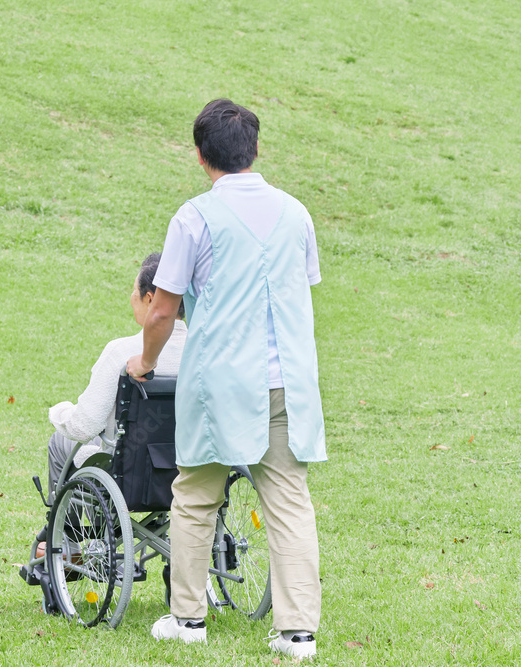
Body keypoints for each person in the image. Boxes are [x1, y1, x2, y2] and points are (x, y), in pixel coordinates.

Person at [127, 99, 327, 661]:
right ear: (256, 149)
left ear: (200, 156)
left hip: (221, 380)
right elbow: (299, 286)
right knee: (289, 499)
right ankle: (297, 633)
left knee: (194, 496)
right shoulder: (296, 213)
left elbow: (163, 311)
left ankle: (187, 617)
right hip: (286, 375)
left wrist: (144, 361)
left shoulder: (194, 217)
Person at [45, 252, 187, 495]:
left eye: (134, 291)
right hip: (188, 466)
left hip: (130, 471)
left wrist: (59, 412)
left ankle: (63, 529)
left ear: (150, 299)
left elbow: (83, 428)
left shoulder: (123, 352)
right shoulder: (204, 352)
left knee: (60, 442)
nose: (132, 298)